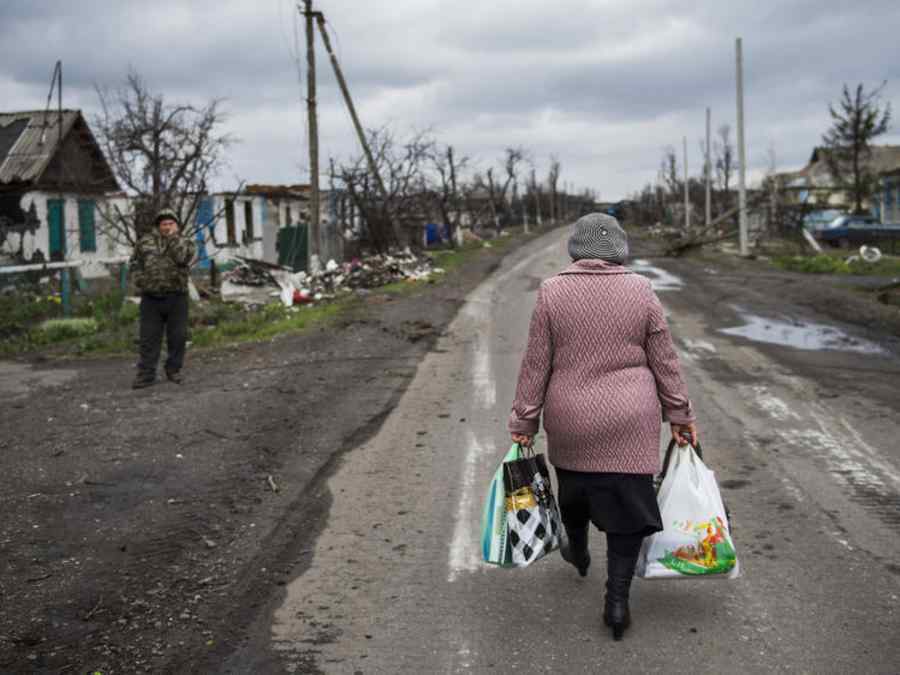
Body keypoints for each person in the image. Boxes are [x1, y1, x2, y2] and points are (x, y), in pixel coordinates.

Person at [508, 213, 698, 641]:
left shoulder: (552, 291)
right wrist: (681, 416)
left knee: (575, 493)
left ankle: (577, 550)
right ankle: (616, 604)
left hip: (571, 417)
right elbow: (665, 361)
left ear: (575, 248)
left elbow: (536, 363)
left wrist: (525, 419)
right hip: (631, 418)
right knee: (626, 512)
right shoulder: (641, 289)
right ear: (619, 249)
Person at [130, 208, 196, 389]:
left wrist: (173, 239)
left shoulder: (186, 242)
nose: (167, 227)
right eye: (164, 224)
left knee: (178, 337)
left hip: (177, 296)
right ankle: (146, 375)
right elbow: (135, 263)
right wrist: (140, 280)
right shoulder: (145, 242)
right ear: (158, 226)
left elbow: (183, 259)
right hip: (151, 298)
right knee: (148, 338)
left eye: (171, 223)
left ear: (177, 225)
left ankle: (173, 370)